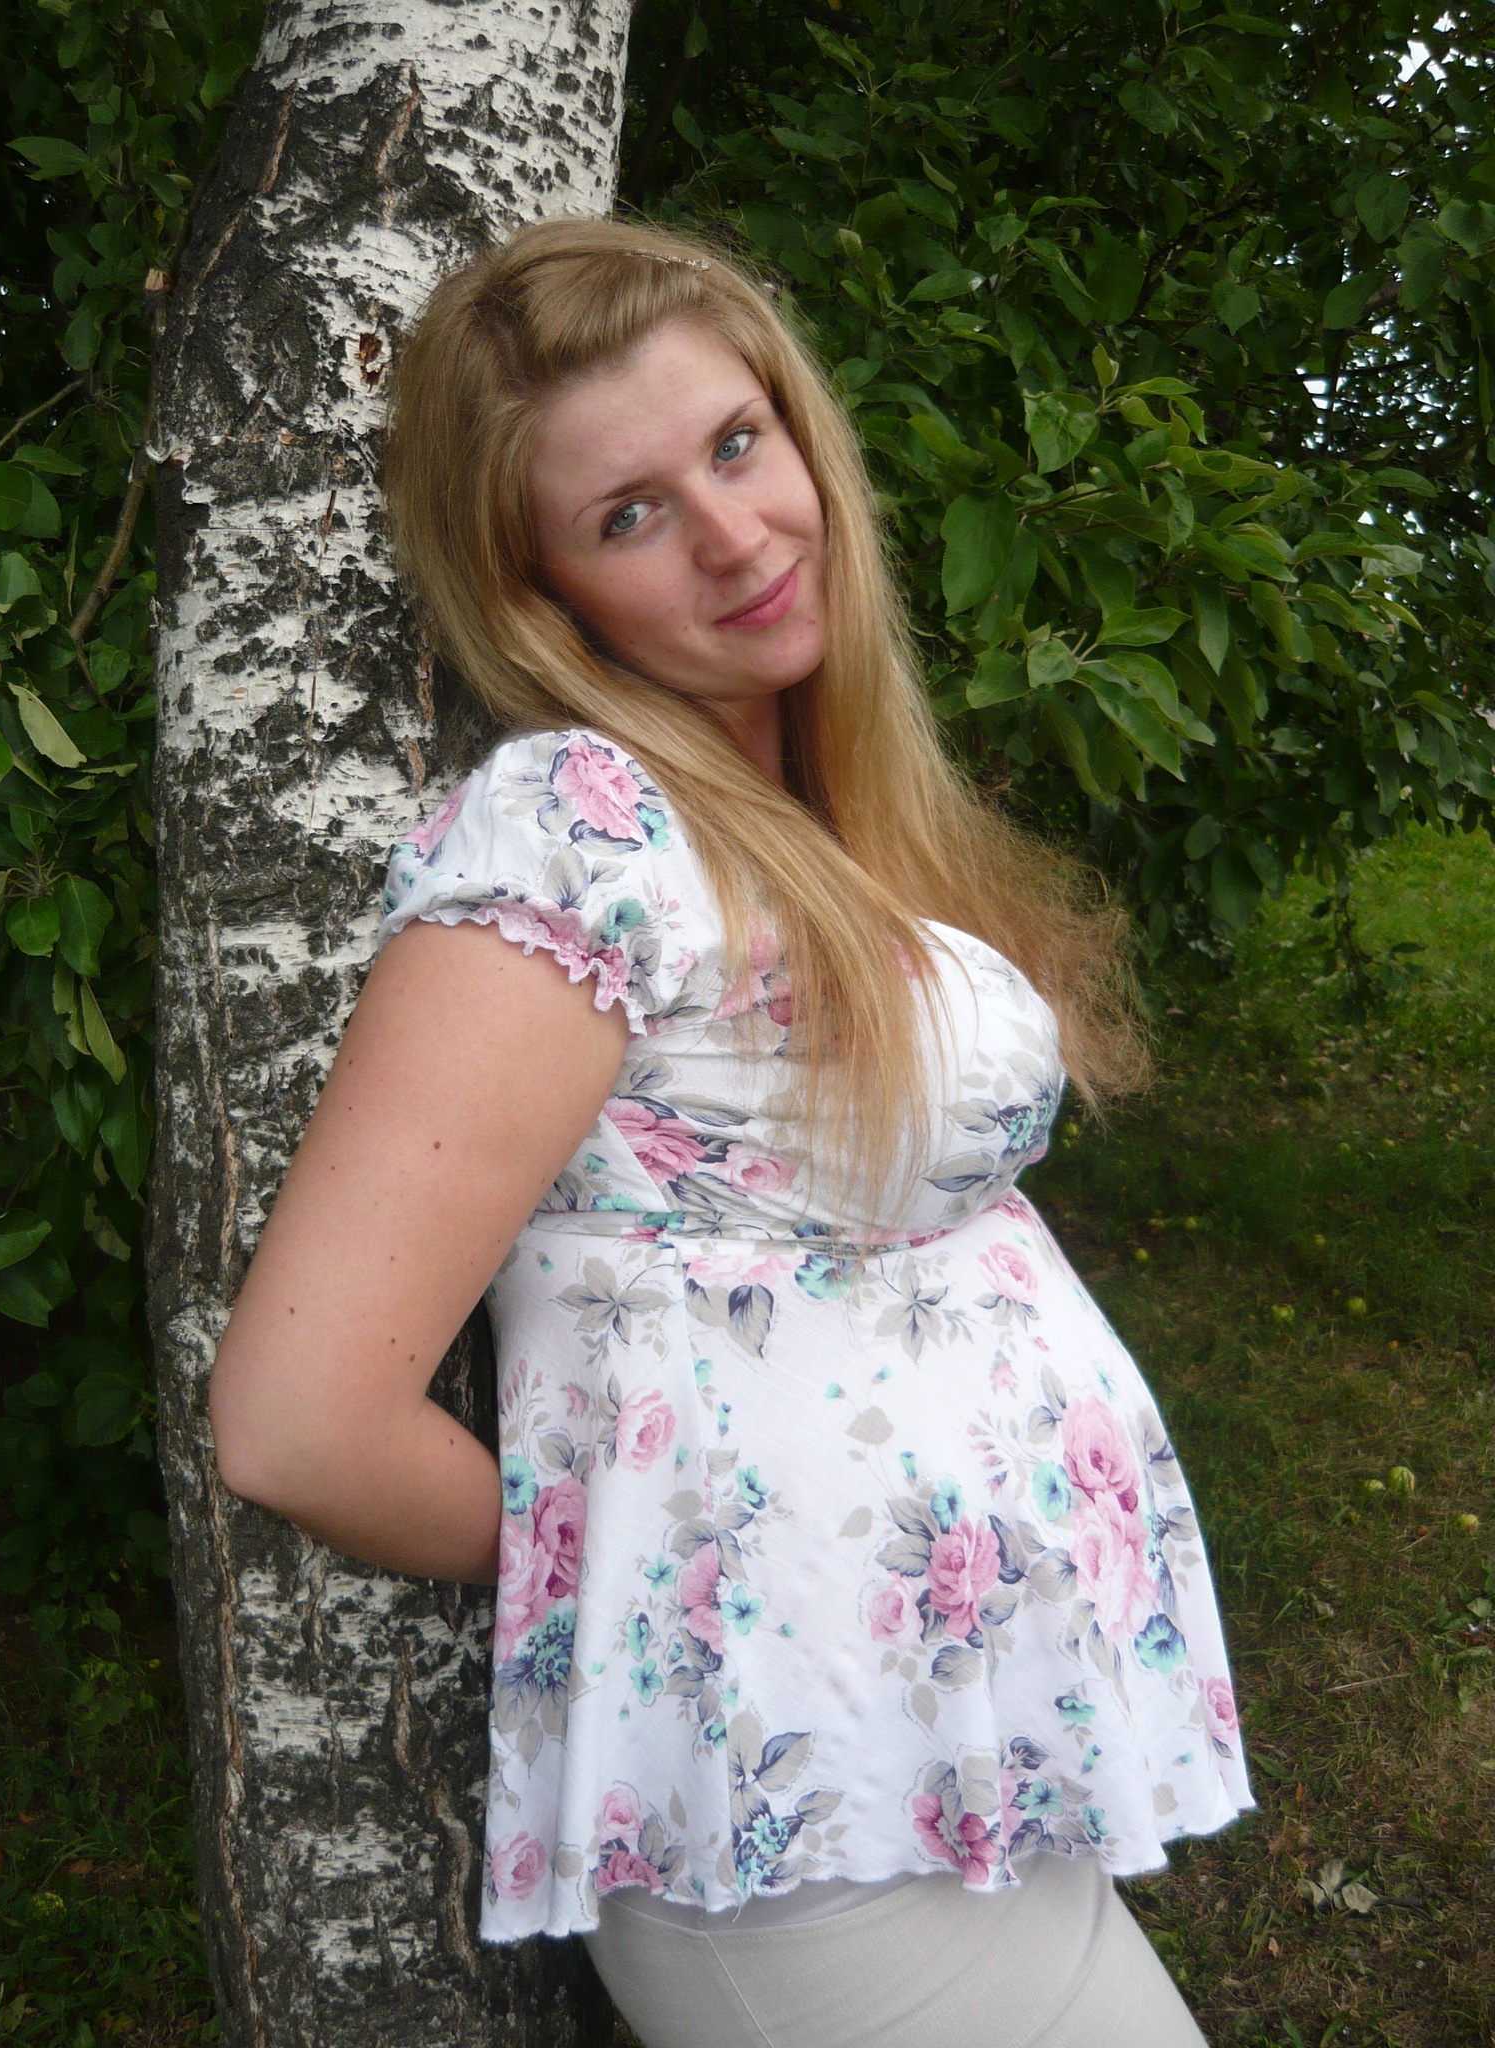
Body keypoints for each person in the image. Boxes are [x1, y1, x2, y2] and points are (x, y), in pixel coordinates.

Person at [208, 217, 1254, 2048]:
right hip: (801, 1832)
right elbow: (301, 1423)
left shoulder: (805, 809)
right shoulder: (577, 827)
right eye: (628, 515)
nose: (735, 534)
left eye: (738, 446)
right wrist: (664, 1562)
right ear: (545, 595)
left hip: (949, 1757)